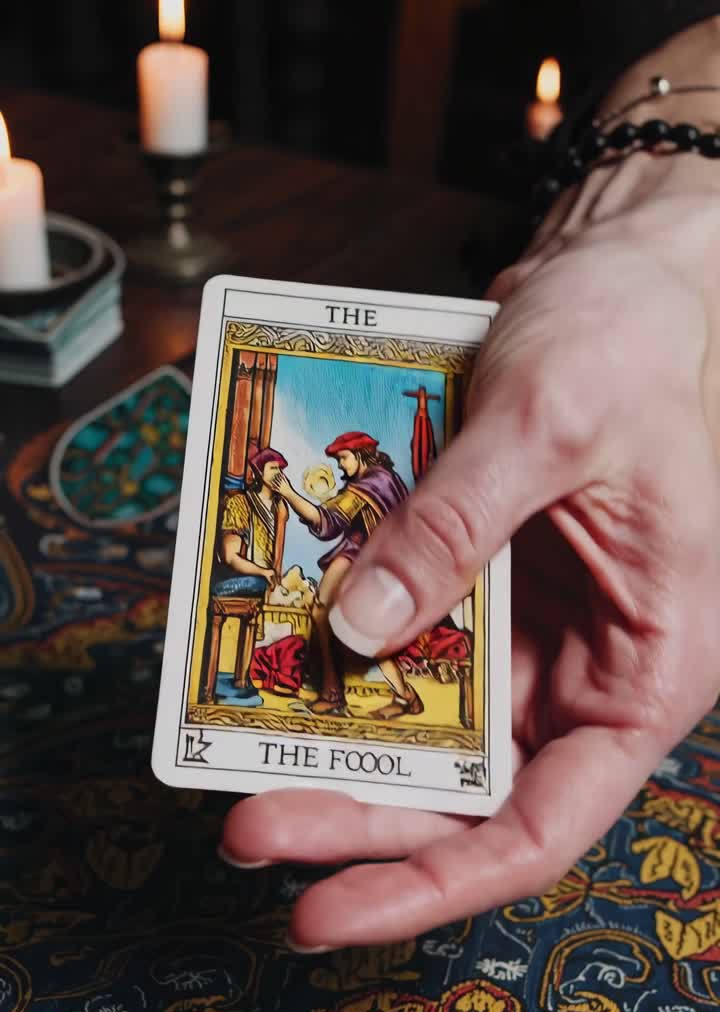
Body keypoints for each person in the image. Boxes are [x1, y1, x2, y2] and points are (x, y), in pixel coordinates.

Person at [220, 10, 720, 954]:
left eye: (345, 458)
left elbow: (343, 524)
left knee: (330, 624)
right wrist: (661, 227)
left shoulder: (367, 494)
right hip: (535, 351)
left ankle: (394, 698)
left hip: (438, 577)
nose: (338, 464)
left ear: (366, 463)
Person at [273, 431, 423, 718]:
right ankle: (396, 696)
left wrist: (289, 493)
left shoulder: (373, 483)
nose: (340, 466)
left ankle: (338, 694)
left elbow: (328, 523)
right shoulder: (381, 481)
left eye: (343, 458)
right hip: (368, 555)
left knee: (344, 622)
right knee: (334, 618)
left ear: (360, 455)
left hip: (367, 556)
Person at [218, 446, 288, 595]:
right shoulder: (241, 503)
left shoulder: (280, 507)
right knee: (259, 584)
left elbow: (277, 559)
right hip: (242, 579)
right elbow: (229, 556)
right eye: (273, 469)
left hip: (266, 581)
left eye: (280, 469)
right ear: (260, 472)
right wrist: (262, 572)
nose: (278, 474)